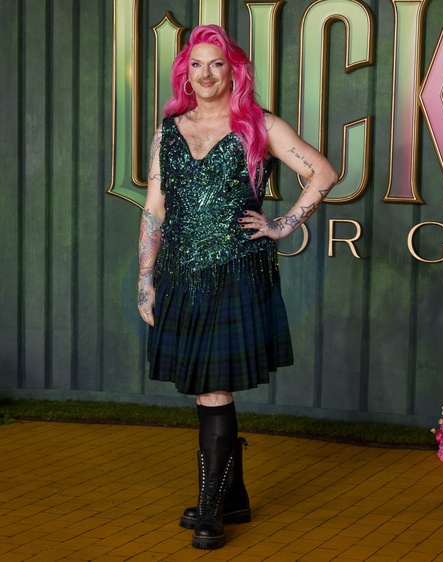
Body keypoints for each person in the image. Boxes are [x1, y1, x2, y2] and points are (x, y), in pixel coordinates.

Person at [138, 25, 337, 550]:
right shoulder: (168, 131)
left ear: (234, 71)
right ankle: (235, 498)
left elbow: (323, 172)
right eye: (196, 64)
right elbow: (154, 210)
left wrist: (282, 225)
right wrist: (144, 280)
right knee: (206, 385)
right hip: (181, 273)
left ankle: (210, 511)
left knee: (214, 388)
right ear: (185, 72)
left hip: (236, 271)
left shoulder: (259, 125)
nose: (205, 74)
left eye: (217, 64)